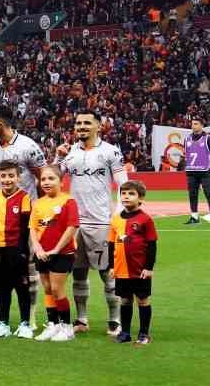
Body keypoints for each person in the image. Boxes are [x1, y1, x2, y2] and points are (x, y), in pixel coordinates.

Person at [55, 109, 126, 335]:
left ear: (98, 126)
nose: (81, 127)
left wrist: (119, 214)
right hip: (75, 223)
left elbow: (123, 184)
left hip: (101, 222)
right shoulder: (70, 152)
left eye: (87, 123)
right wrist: (58, 157)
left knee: (107, 272)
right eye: (78, 123)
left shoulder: (110, 151)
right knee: (78, 272)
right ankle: (82, 319)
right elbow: (53, 179)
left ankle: (114, 319)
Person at [0, 161, 36, 339]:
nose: (7, 180)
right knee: (3, 288)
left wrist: (22, 252)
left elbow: (25, 228)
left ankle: (25, 324)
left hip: (17, 249)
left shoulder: (24, 197)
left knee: (22, 287)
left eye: (11, 176)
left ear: (18, 177)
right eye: (3, 176)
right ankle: (3, 324)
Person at [31, 164, 79, 342]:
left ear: (61, 182)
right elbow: (33, 228)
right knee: (48, 289)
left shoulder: (69, 201)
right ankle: (53, 325)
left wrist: (56, 249)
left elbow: (72, 227)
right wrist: (37, 248)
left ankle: (67, 328)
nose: (46, 182)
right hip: (42, 253)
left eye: (51, 178)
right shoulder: (38, 203)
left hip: (62, 253)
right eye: (43, 179)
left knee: (58, 289)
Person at [109, 180, 158, 345]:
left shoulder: (145, 219)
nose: (126, 196)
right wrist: (111, 266)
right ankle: (125, 333)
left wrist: (148, 267)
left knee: (142, 300)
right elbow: (111, 244)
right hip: (121, 269)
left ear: (141, 198)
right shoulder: (115, 219)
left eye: (131, 194)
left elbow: (152, 245)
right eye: (123, 193)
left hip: (139, 269)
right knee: (125, 300)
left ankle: (144, 334)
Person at [0, 105, 46, 197]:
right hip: (2, 205)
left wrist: (34, 201)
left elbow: (44, 178)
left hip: (26, 205)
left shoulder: (29, 146)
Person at [185, 118, 208, 224]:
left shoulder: (207, 138)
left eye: (196, 124)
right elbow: (187, 154)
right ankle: (194, 217)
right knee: (192, 194)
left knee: (208, 193)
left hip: (205, 170)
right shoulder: (187, 139)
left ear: (202, 125)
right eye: (192, 124)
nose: (193, 126)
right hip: (191, 170)